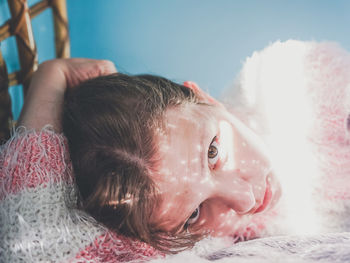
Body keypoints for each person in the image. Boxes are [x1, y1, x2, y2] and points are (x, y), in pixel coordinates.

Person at [1, 40, 350, 262]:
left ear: (202, 97)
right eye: (194, 212)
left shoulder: (300, 86)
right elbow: (34, 248)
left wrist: (51, 75)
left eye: (214, 153)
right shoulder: (178, 242)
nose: (245, 200)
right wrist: (49, 81)